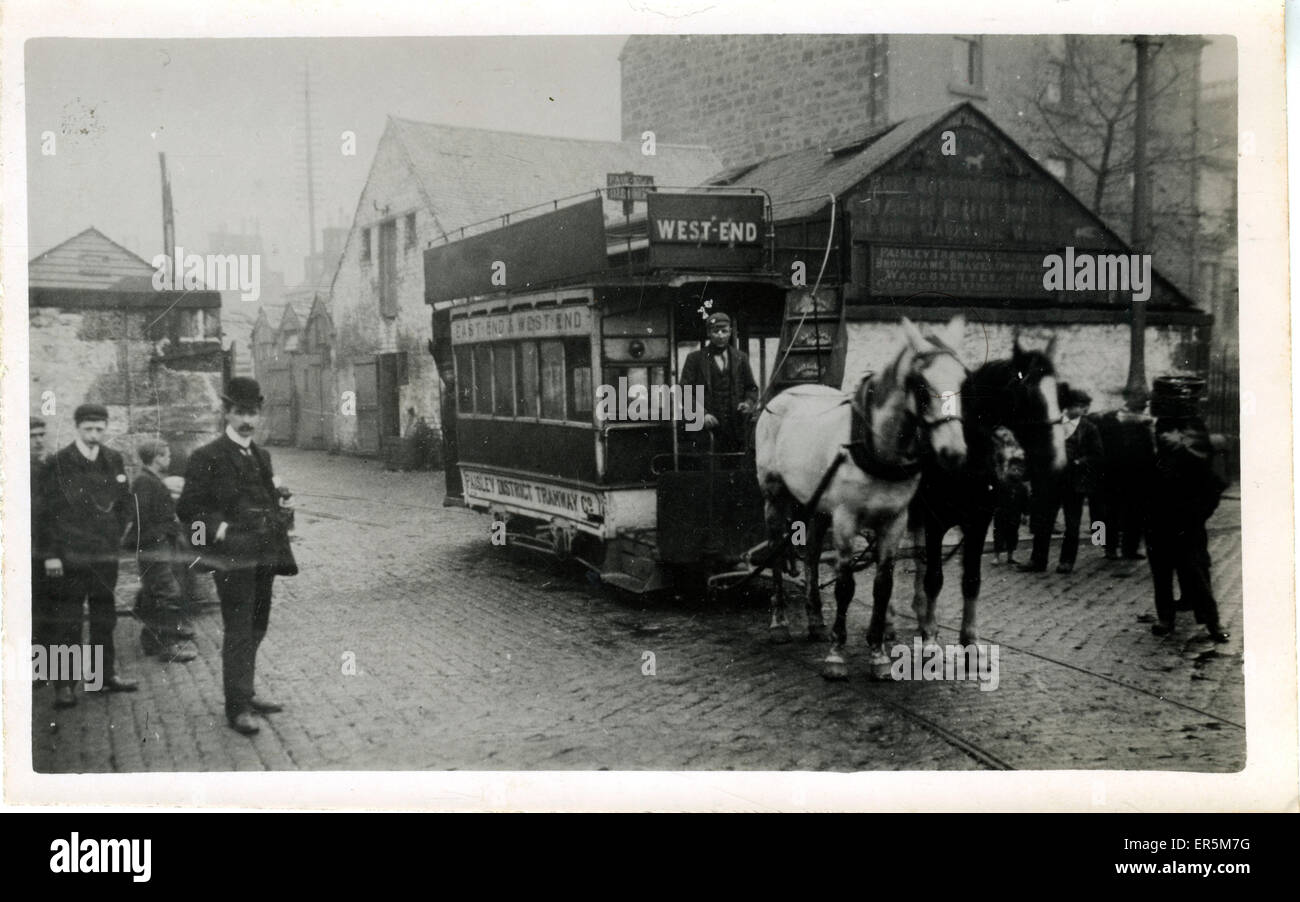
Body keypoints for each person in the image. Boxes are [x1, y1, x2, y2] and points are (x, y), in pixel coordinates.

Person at [177, 378, 291, 735]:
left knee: (257, 627)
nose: (247, 420)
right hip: (232, 561)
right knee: (239, 631)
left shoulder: (262, 456)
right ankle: (237, 706)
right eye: (240, 412)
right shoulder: (206, 457)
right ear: (227, 412)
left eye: (253, 413)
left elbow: (267, 500)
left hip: (265, 557)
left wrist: (278, 506)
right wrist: (220, 533)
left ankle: (247, 691)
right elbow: (189, 509)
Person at [39, 403, 139, 708]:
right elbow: (45, 515)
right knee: (67, 620)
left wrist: (116, 533)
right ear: (77, 428)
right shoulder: (59, 463)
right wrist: (52, 556)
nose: (94, 435)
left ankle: (102, 676)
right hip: (69, 557)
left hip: (103, 556)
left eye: (99, 429)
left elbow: (123, 503)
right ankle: (64, 686)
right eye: (88, 429)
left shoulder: (113, 459)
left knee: (103, 618)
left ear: (105, 428)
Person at [1145, 381, 1229, 643]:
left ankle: (1211, 621)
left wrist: (1200, 513)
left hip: (1188, 518)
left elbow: (1213, 482)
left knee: (1196, 570)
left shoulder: (1196, 435)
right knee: (1161, 570)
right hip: (1158, 516)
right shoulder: (1154, 430)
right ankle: (1166, 618)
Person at [129, 440, 196, 663]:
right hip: (153, 546)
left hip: (158, 543)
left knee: (155, 591)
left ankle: (150, 639)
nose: (169, 460)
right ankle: (168, 645)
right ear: (157, 458)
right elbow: (143, 518)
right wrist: (164, 532)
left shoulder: (150, 479)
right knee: (167, 592)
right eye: (166, 456)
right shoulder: (144, 482)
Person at [678, 312, 759, 459]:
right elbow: (684, 392)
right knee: (708, 469)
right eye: (716, 331)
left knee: (735, 468)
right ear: (709, 332)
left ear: (730, 331)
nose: (720, 335)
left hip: (735, 427)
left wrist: (748, 403)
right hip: (704, 428)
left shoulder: (741, 358)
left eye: (724, 331)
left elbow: (751, 388)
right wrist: (701, 414)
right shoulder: (694, 359)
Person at [1093, 391, 1154, 560]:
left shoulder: (1144, 424)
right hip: (1111, 474)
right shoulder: (1108, 420)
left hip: (1136, 475)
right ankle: (1107, 547)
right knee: (1108, 513)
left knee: (1135, 513)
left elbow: (1149, 450)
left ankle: (1130, 549)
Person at [1053, 388, 1104, 574]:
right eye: (1080, 406)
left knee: (1072, 524)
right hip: (1053, 480)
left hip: (1075, 482)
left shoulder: (1090, 428)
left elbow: (1097, 454)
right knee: (1044, 521)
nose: (1084, 410)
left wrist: (1078, 462)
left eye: (1085, 406)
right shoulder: (1054, 423)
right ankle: (1037, 559)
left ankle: (1067, 561)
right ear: (1068, 406)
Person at [990, 427, 1030, 566]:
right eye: (1014, 470)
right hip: (1002, 512)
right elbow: (995, 496)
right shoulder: (1002, 483)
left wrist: (1026, 514)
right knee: (999, 534)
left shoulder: (1022, 487)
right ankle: (996, 555)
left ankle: (1010, 555)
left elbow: (1025, 501)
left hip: (1015, 514)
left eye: (1019, 471)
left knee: (1013, 535)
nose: (1017, 472)